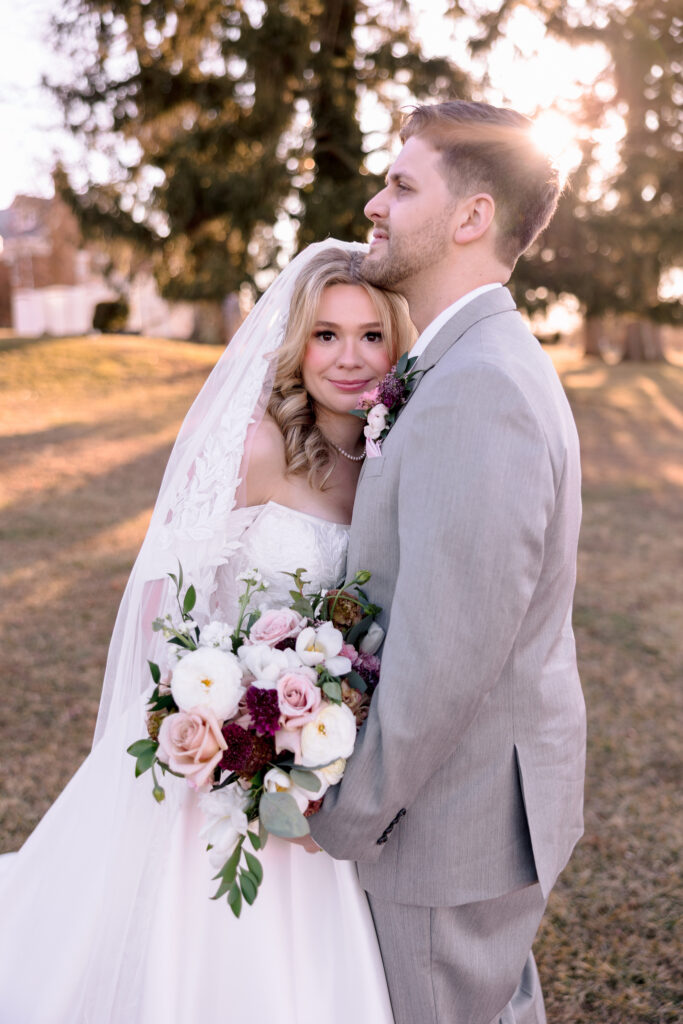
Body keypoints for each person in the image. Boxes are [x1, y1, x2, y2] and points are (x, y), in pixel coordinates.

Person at [0, 242, 415, 1023]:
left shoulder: (389, 455)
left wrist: (311, 732)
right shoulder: (252, 445)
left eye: (370, 336)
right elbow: (165, 597)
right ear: (296, 342)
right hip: (210, 749)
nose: (349, 359)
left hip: (316, 758)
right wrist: (210, 720)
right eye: (326, 334)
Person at [307, 101, 587, 1024]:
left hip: (448, 826)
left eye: (399, 183)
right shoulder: (462, 360)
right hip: (473, 806)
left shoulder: (478, 388)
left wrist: (346, 815)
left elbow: (445, 654)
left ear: (469, 217)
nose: (374, 203)